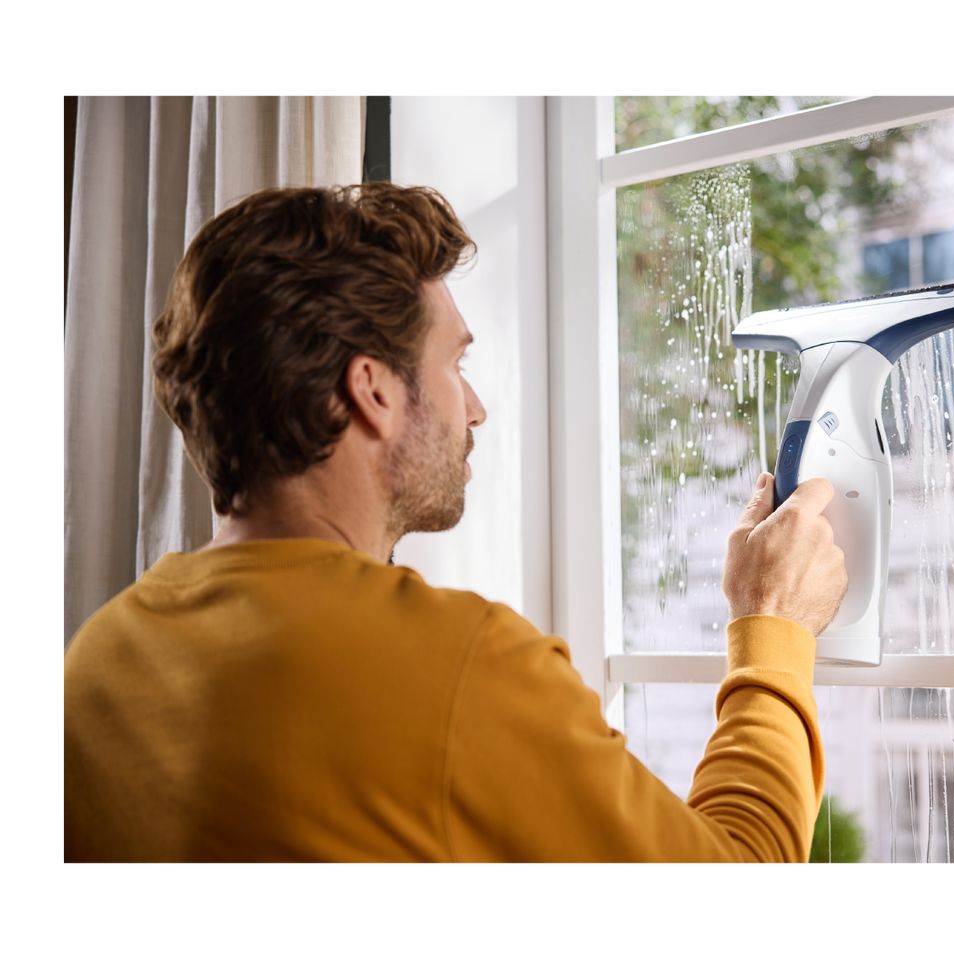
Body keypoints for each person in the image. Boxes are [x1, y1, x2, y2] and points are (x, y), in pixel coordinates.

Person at [63, 182, 849, 862]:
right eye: (454, 363)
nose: (474, 407)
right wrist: (772, 626)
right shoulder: (462, 668)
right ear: (372, 389)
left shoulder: (96, 662)